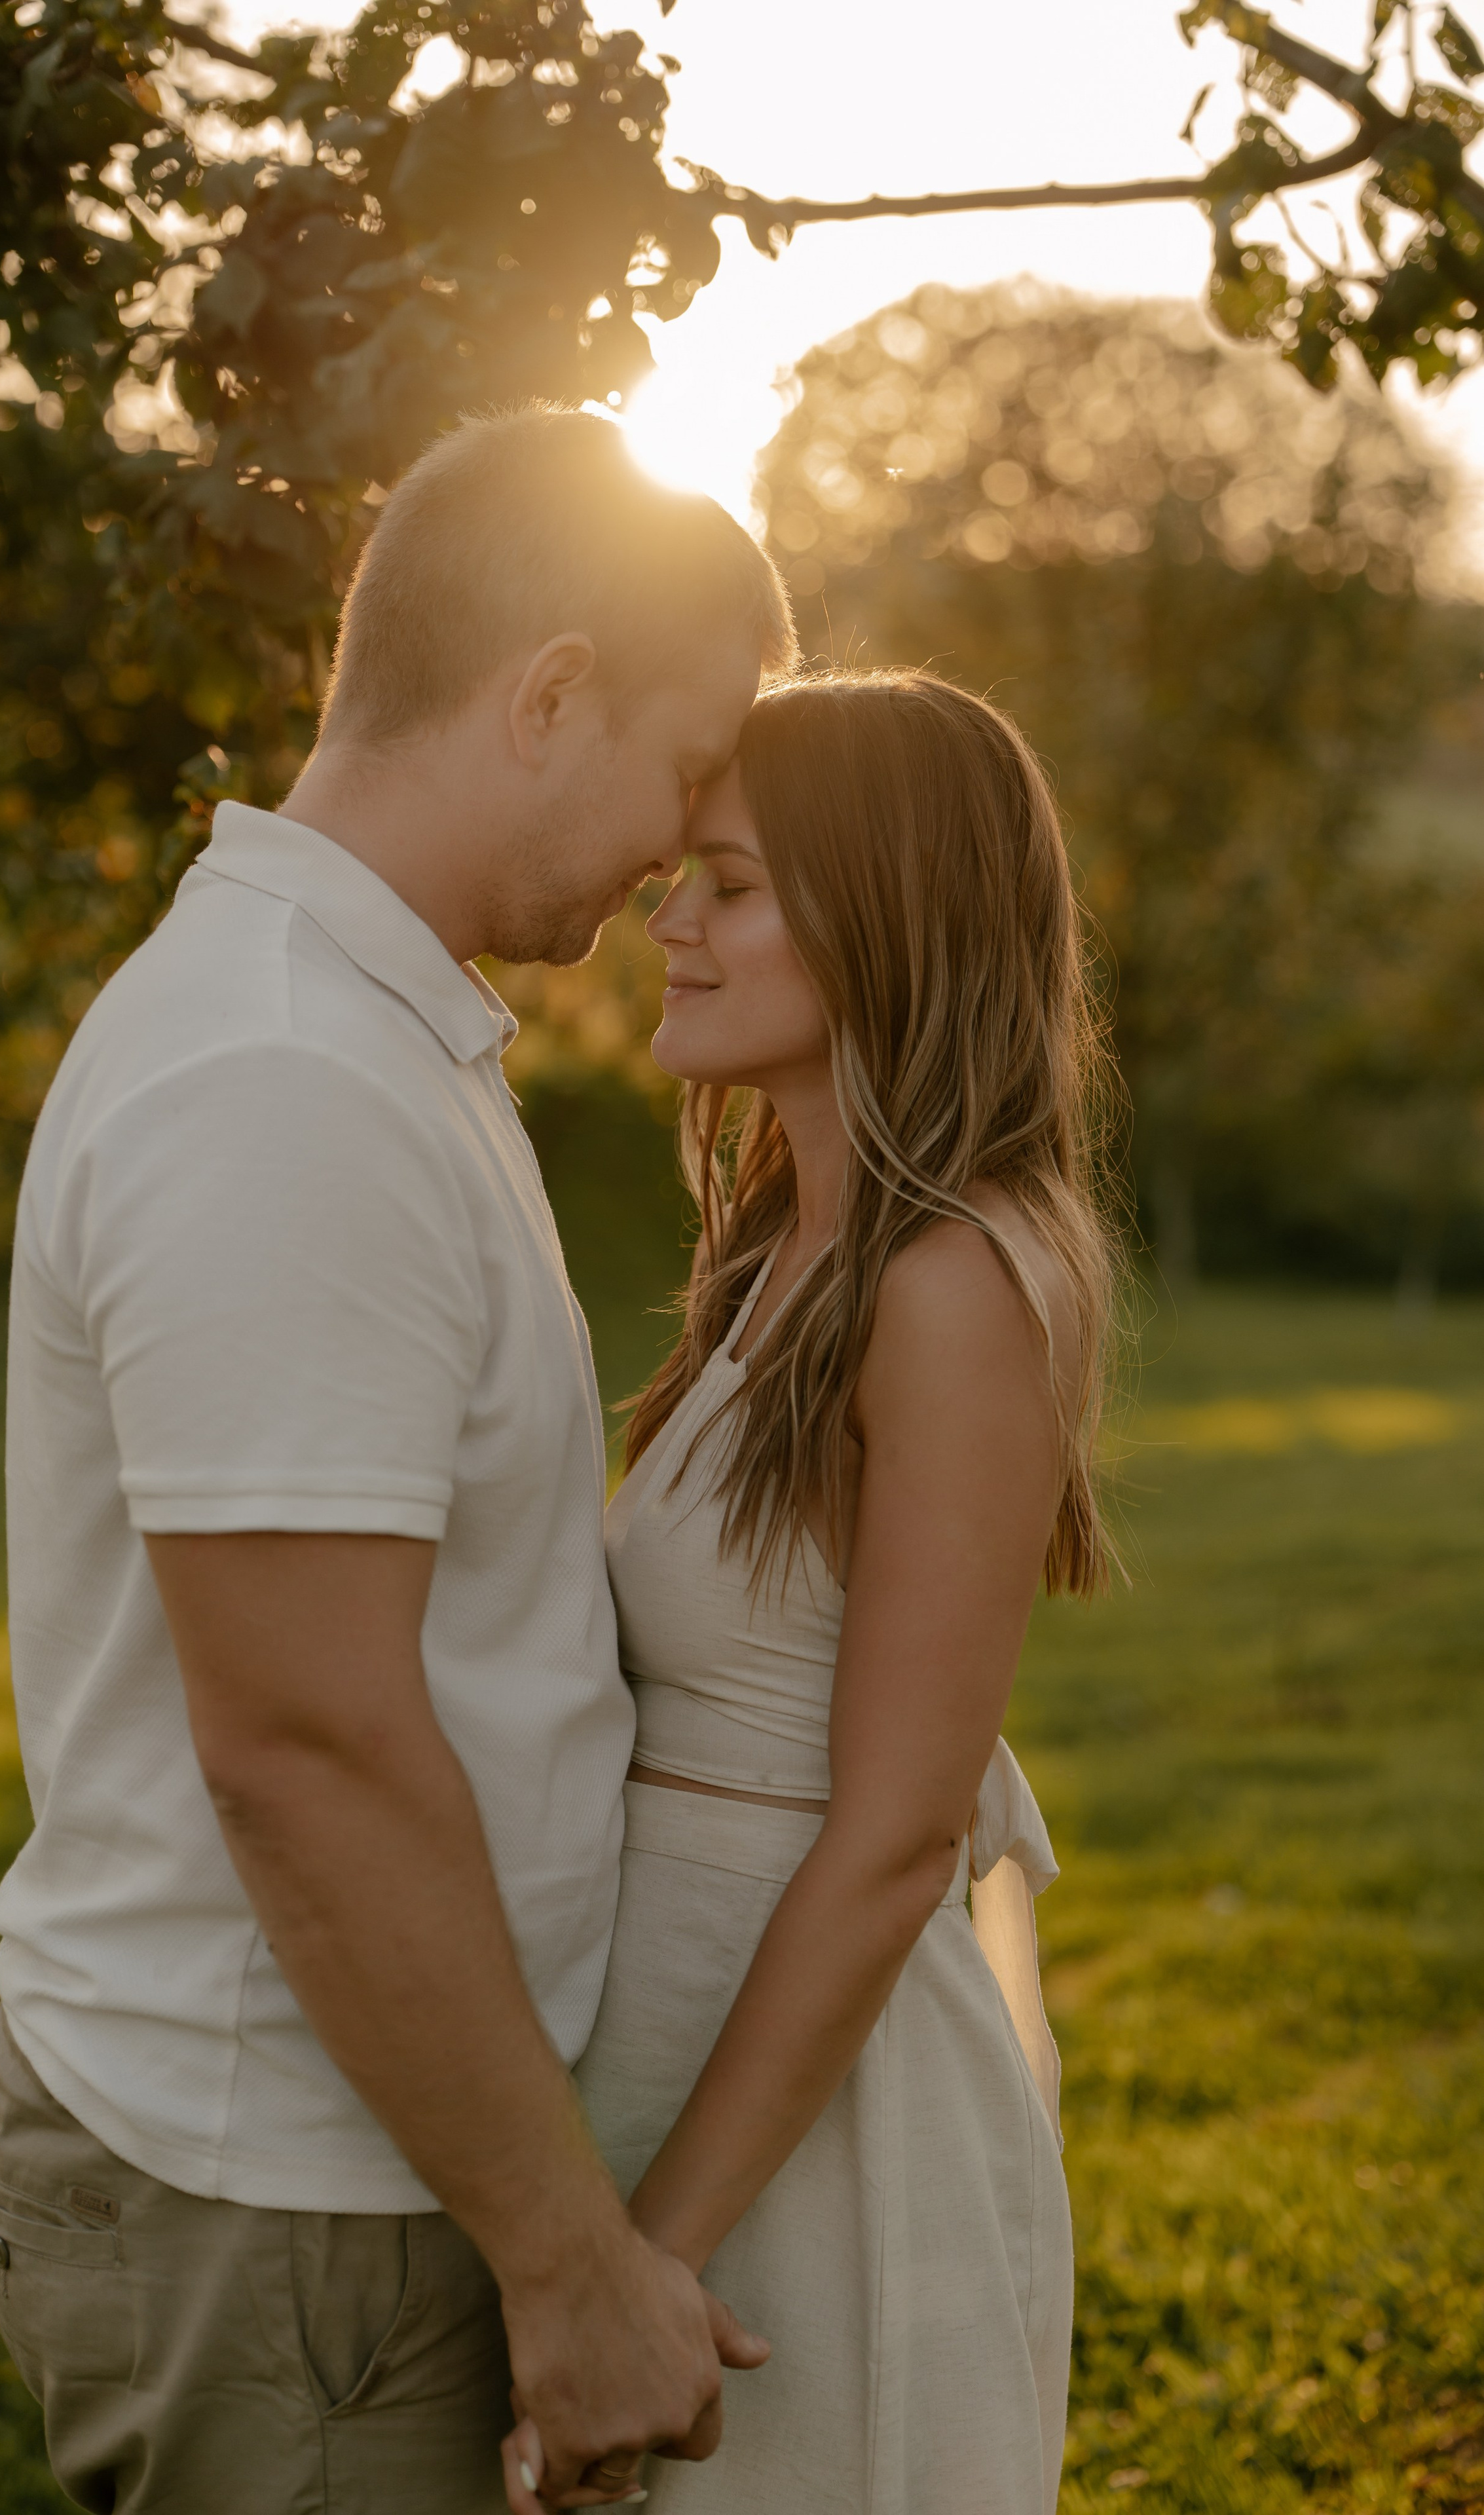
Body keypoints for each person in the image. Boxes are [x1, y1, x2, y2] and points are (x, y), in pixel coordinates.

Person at [0, 406, 797, 2513]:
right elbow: (307, 1749)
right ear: (550, 694)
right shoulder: (283, 1080)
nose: (684, 838)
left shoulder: (360, 1030)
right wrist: (564, 2255)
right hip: (291, 2207)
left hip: (348, 2161)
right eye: (684, 766)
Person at [521, 669, 1118, 2515]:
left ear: (886, 914)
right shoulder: (781, 1252)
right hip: (670, 2030)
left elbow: (888, 1843)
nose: (670, 923)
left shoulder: (953, 1288)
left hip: (809, 2127)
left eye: (731, 883)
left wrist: (654, 2267)